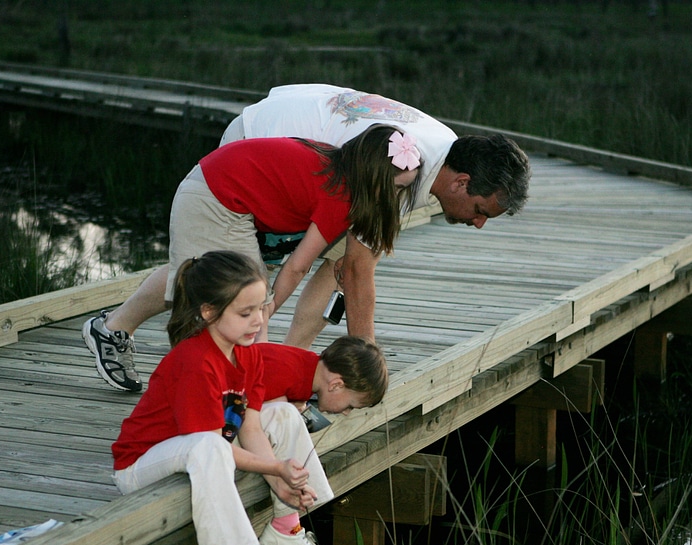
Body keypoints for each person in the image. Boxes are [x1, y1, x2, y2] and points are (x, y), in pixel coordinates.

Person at [84, 123, 420, 392]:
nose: (397, 197)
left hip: (223, 191)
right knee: (245, 304)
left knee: (206, 282)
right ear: (372, 176)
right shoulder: (340, 197)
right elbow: (299, 265)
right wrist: (268, 306)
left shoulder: (338, 167)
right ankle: (243, 396)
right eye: (394, 188)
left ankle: (114, 329)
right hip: (216, 198)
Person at [111, 250, 338, 545]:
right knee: (210, 445)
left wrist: (280, 482)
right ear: (208, 312)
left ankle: (287, 526)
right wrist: (275, 468)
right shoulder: (196, 361)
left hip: (202, 450)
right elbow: (219, 445)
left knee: (282, 413)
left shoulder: (247, 354)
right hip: (140, 465)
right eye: (245, 313)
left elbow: (249, 427)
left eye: (261, 309)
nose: (259, 321)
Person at [220, 83, 532, 349]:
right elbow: (359, 270)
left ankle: (292, 358)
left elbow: (349, 263)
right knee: (242, 277)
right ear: (461, 182)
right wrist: (367, 360)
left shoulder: (441, 149)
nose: (478, 224)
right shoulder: (401, 170)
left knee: (339, 258)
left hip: (303, 151)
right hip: (253, 143)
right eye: (480, 211)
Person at [256, 335, 388, 415]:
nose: (346, 413)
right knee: (284, 414)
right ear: (336, 385)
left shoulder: (305, 367)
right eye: (350, 406)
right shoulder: (286, 374)